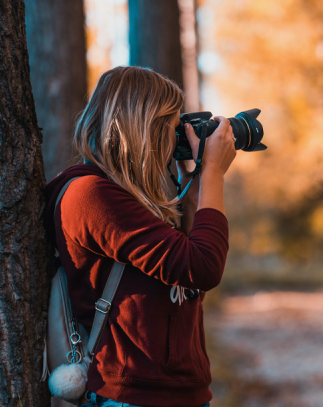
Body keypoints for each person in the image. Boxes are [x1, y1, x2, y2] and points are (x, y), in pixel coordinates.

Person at [42, 66, 236, 407]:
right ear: (145, 127)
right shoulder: (91, 195)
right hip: (131, 395)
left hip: (176, 393)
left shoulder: (130, 198)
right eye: (172, 127)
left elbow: (187, 286)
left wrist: (194, 196)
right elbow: (203, 266)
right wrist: (213, 176)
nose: (176, 139)